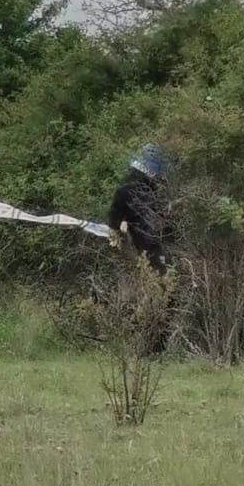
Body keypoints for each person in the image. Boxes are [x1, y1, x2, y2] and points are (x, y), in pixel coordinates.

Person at [106, 142, 178, 356]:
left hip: (148, 248)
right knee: (164, 293)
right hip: (164, 246)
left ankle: (148, 344)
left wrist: (117, 229)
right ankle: (152, 345)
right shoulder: (156, 189)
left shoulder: (127, 186)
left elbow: (114, 216)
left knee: (157, 293)